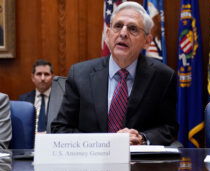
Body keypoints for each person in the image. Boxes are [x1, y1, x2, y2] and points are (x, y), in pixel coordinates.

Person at [51, 2, 178, 146]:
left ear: (147, 41)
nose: (123, 33)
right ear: (108, 34)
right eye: (118, 26)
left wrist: (141, 139)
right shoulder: (80, 74)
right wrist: (105, 143)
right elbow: (60, 129)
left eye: (133, 29)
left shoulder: (163, 77)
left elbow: (169, 128)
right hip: (92, 162)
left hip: (139, 163)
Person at [19, 59, 54, 132]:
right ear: (32, 77)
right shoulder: (23, 99)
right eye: (39, 74)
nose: (43, 78)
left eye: (46, 74)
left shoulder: (60, 99)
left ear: (52, 77)